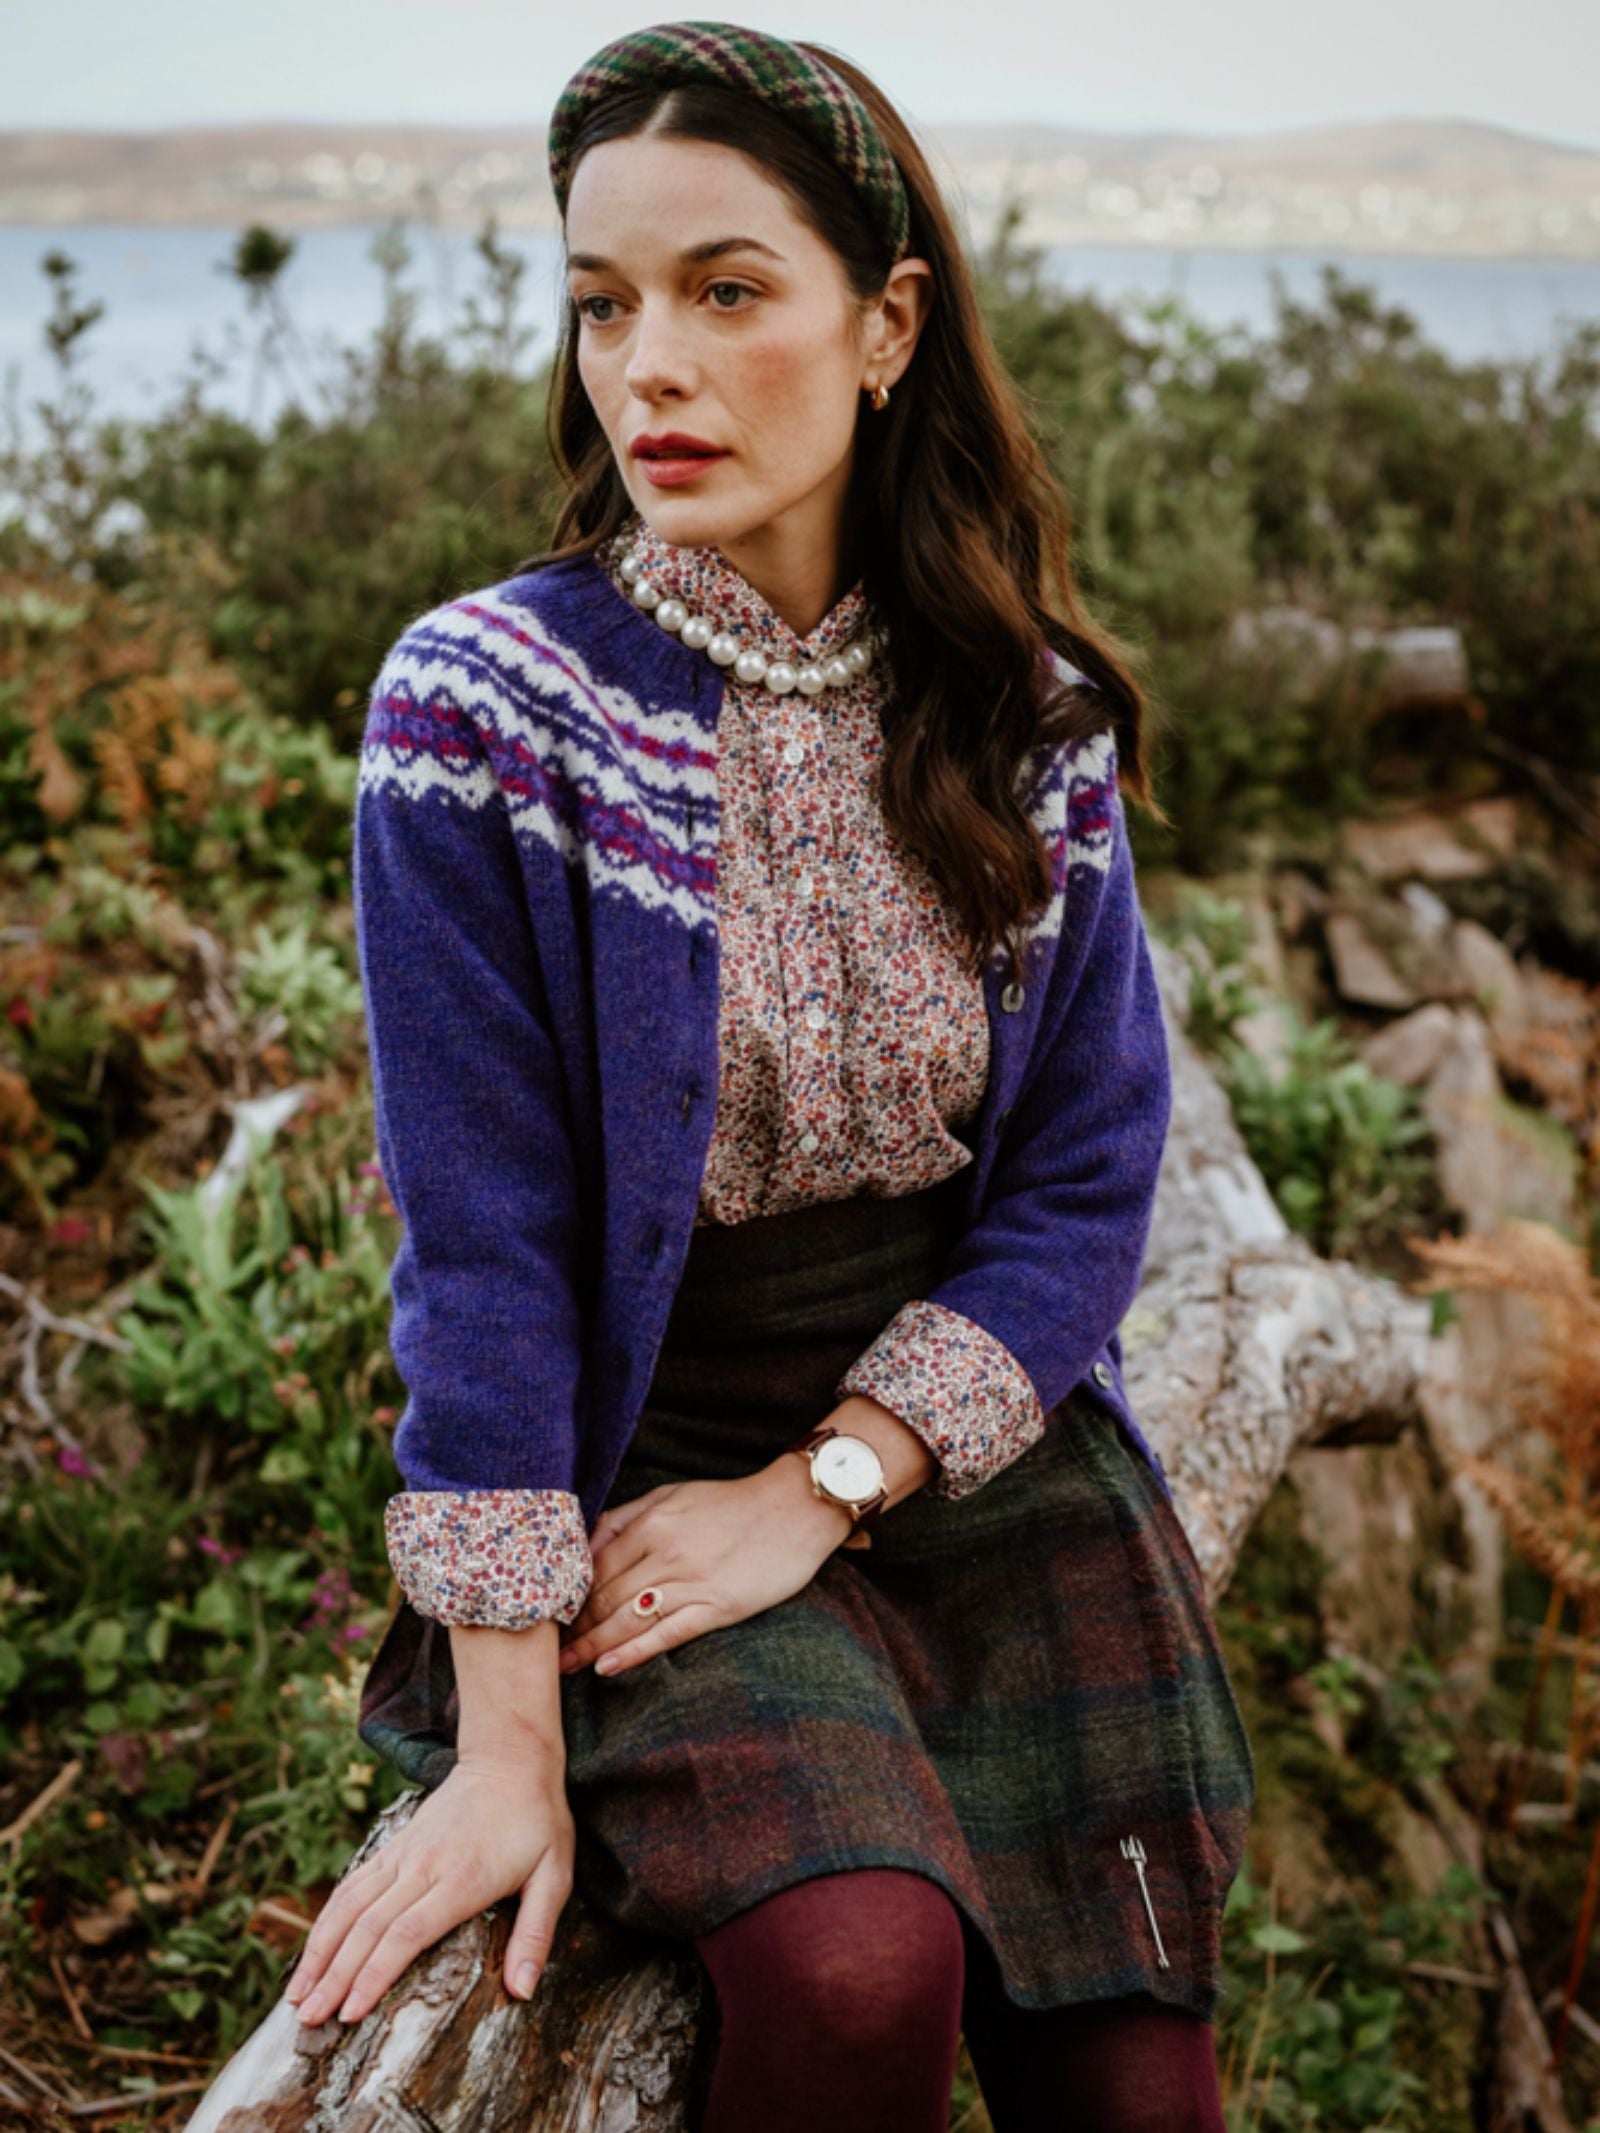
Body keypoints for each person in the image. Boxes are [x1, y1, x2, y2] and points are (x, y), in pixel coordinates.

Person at [284, 20, 1257, 2128]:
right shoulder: (480, 713)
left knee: (1138, 2082)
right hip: (643, 1440)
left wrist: (835, 1479)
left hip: (960, 1451)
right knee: (846, 1975)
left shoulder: (1026, 712)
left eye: (727, 291)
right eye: (602, 301)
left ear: (884, 322)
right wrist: (505, 1748)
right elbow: (489, 1248)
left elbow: (1085, 1176)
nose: (650, 364)